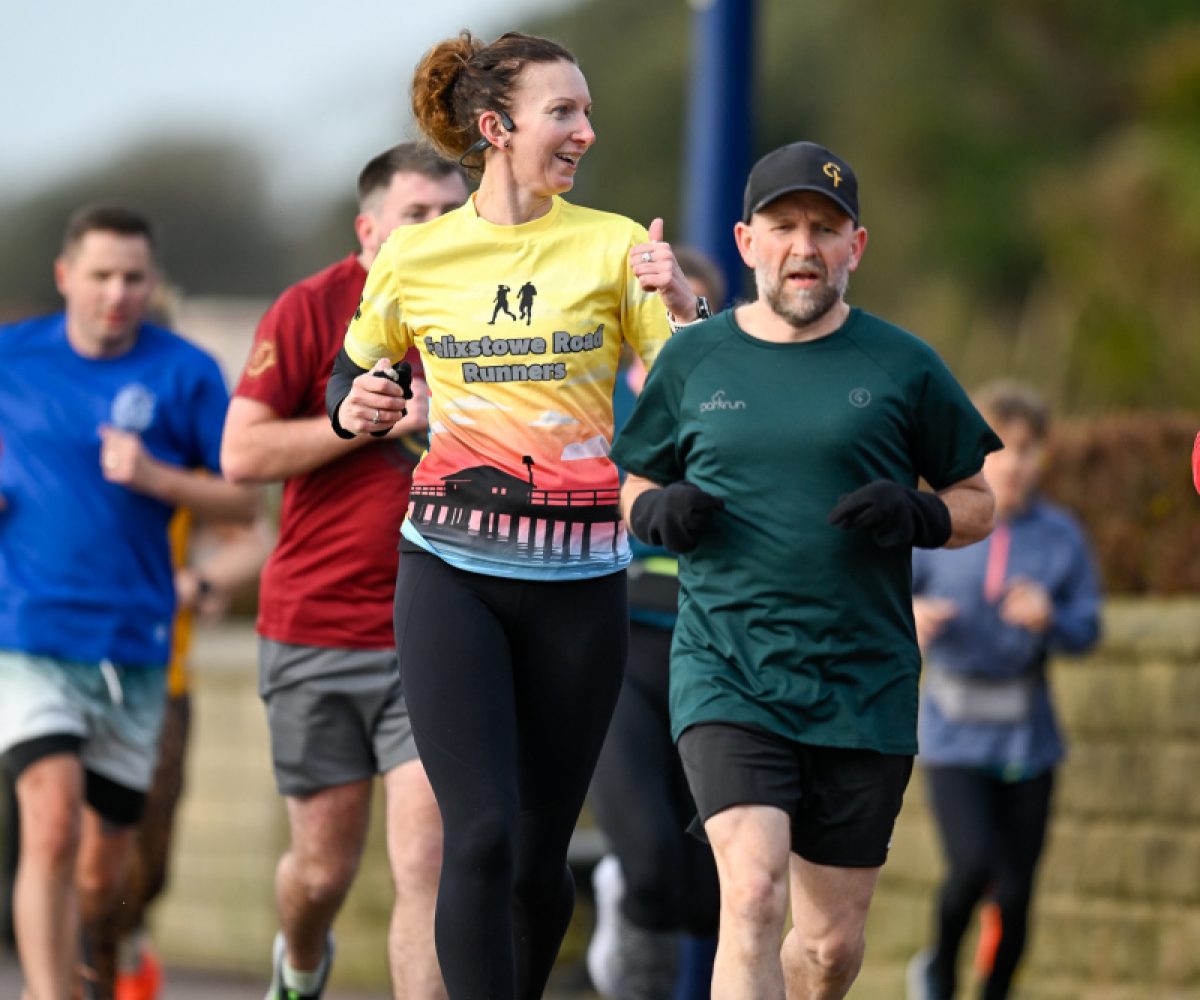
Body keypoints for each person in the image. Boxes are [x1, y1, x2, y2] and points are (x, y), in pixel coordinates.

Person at [326, 30, 701, 1000]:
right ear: (496, 128)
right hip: (451, 574)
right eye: (563, 112)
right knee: (480, 834)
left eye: (587, 110)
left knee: (540, 862)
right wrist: (353, 405)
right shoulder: (416, 254)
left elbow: (690, 396)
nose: (586, 130)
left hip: (581, 587)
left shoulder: (618, 246)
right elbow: (356, 369)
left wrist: (686, 303)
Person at [612, 140, 1003, 1000]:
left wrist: (924, 513)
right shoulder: (694, 359)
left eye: (825, 229)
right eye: (784, 226)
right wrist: (653, 510)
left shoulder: (902, 364)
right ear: (747, 242)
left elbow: (981, 498)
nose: (805, 247)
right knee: (749, 895)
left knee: (827, 951)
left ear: (855, 247)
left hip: (861, 682)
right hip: (727, 671)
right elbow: (629, 477)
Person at [220, 143, 468, 1000]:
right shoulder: (310, 308)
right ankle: (299, 965)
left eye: (452, 211)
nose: (438, 230)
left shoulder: (491, 305)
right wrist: (357, 423)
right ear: (369, 230)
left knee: (426, 862)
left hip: (435, 627)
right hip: (316, 625)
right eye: (417, 215)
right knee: (320, 874)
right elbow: (241, 453)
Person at [0, 205, 256, 1000]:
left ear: (152, 282)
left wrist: (156, 478)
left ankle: (101, 964)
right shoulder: (11, 359)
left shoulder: (184, 372)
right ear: (65, 276)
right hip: (30, 634)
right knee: (48, 823)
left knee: (110, 861)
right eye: (101, 275)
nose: (116, 293)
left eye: (133, 277)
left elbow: (242, 508)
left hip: (139, 645)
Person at [905, 382, 1101, 1000]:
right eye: (1000, 448)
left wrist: (1053, 616)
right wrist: (909, 611)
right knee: (971, 869)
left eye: (1027, 448)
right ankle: (937, 969)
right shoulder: (938, 522)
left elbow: (1088, 627)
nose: (1014, 462)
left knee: (1016, 894)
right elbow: (876, 598)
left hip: (1028, 737)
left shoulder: (1061, 536)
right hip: (953, 736)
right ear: (975, 454)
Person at [587, 247, 726, 1000]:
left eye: (691, 311)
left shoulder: (739, 410)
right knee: (647, 862)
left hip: (711, 653)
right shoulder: (595, 397)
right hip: (617, 648)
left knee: (708, 886)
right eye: (660, 306)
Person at [107, 510, 273, 1000]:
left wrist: (199, 583)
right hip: (59, 672)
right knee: (72, 849)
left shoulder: (167, 443)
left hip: (161, 679)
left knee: (149, 865)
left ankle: (129, 935)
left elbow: (255, 538)